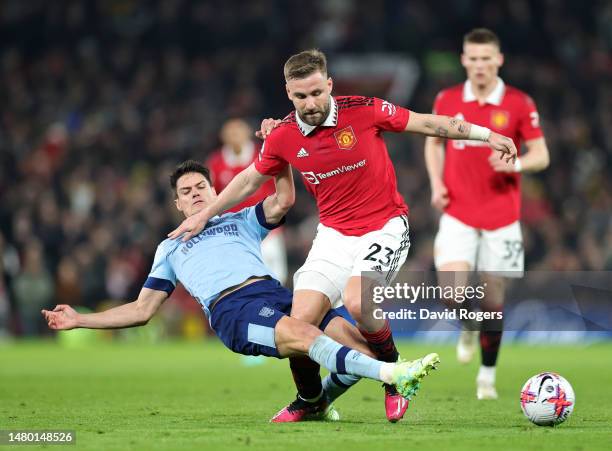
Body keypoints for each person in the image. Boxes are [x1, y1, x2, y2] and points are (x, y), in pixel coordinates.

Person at [167, 49, 516, 422]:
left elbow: (428, 124)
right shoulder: (283, 135)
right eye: (301, 96)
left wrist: (487, 134)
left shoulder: (364, 110)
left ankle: (394, 377)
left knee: (358, 301)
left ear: (329, 84)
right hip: (333, 235)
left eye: (317, 93)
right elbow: (250, 179)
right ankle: (311, 400)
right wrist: (205, 214)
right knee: (299, 321)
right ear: (289, 93)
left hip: (385, 225)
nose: (311, 103)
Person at [41, 160, 440, 421]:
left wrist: (280, 158)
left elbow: (284, 200)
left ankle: (318, 402)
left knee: (360, 350)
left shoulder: (239, 220)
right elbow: (142, 310)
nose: (196, 193)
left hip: (274, 293)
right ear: (177, 204)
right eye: (186, 191)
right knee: (308, 336)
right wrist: (80, 320)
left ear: (215, 192)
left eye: (201, 186)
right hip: (233, 311)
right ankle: (396, 373)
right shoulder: (170, 247)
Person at [424, 28, 550, 400]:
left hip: (502, 217)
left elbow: (541, 155)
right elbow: (433, 143)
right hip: (458, 212)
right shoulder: (447, 99)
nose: (479, 65)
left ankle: (487, 378)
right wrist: (435, 183)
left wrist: (515, 167)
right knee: (451, 294)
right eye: (473, 58)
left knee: (494, 301)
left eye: (486, 58)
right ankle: (467, 326)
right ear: (464, 60)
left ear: (499, 60)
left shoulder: (518, 102)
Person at [207, 118, 288, 284]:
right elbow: (211, 197)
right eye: (230, 132)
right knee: (241, 280)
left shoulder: (264, 154)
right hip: (234, 231)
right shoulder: (216, 163)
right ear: (223, 136)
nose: (234, 135)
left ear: (247, 133)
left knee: (276, 277)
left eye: (238, 130)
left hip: (267, 229)